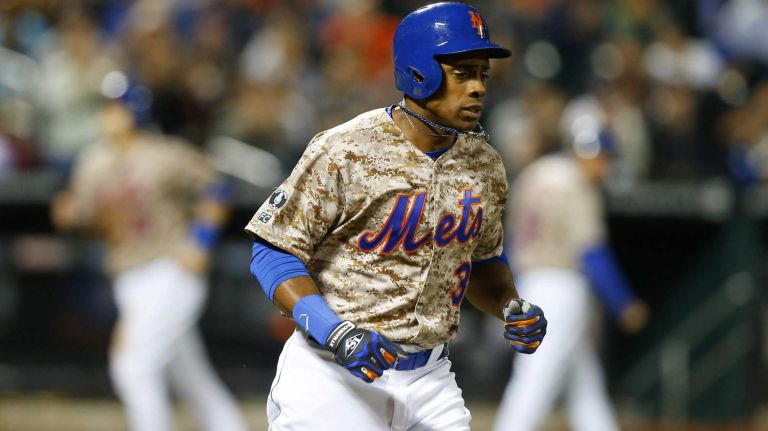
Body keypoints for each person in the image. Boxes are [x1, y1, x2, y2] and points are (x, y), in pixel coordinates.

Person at [245, 3, 547, 430]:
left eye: (483, 74)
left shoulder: (484, 164)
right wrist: (334, 331)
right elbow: (272, 251)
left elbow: (481, 263)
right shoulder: (346, 148)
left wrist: (509, 305)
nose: (478, 87)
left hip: (430, 378)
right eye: (462, 73)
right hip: (332, 374)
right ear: (419, 71)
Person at [51, 77, 248, 431]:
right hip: (127, 277)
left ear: (135, 111)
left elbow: (217, 189)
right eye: (106, 107)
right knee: (189, 375)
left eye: (116, 107)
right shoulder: (93, 161)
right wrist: (71, 216)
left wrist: (201, 240)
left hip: (169, 272)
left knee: (132, 367)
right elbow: (87, 219)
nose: (108, 114)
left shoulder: (165, 154)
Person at [493, 123, 649, 431]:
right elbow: (591, 252)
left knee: (583, 380)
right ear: (589, 155)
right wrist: (623, 302)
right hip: (560, 286)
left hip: (528, 281)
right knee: (537, 375)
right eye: (604, 158)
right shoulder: (575, 183)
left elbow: (509, 240)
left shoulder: (535, 174)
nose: (606, 167)